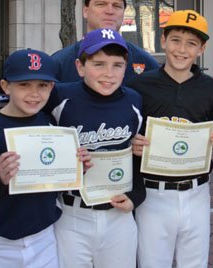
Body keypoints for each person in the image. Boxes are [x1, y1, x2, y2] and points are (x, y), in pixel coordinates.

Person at [129, 9, 213, 267]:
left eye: (191, 43)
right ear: (163, 40)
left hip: (197, 191)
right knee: (152, 262)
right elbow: (128, 133)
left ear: (202, 48)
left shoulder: (210, 86)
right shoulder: (140, 85)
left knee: (194, 263)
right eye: (176, 40)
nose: (182, 49)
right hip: (153, 192)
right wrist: (132, 144)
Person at [0, 49, 91, 268]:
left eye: (43, 85)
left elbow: (55, 179)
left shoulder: (53, 126)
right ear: (5, 86)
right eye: (24, 84)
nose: (35, 93)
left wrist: (77, 168)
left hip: (44, 237)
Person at [46, 27, 145, 267]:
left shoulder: (134, 100)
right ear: (80, 67)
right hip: (72, 215)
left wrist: (136, 196)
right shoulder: (59, 97)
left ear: (126, 67)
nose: (108, 73)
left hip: (118, 215)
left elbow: (138, 158)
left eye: (117, 65)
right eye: (98, 64)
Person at [52, 0, 158, 83]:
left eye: (117, 6)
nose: (109, 11)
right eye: (101, 4)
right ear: (85, 11)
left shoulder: (146, 63)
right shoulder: (59, 64)